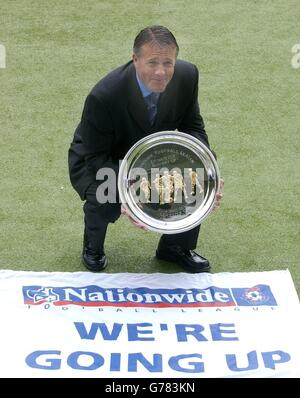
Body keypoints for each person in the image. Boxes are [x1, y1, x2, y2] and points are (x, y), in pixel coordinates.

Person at [68, 25, 223, 273]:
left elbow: (193, 126)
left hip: (154, 159)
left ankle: (175, 247)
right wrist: (132, 193)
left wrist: (207, 171)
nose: (161, 72)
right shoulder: (104, 95)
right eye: (152, 63)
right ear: (135, 59)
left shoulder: (187, 75)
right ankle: (93, 246)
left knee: (197, 174)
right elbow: (94, 157)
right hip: (102, 159)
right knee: (105, 193)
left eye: (168, 62)